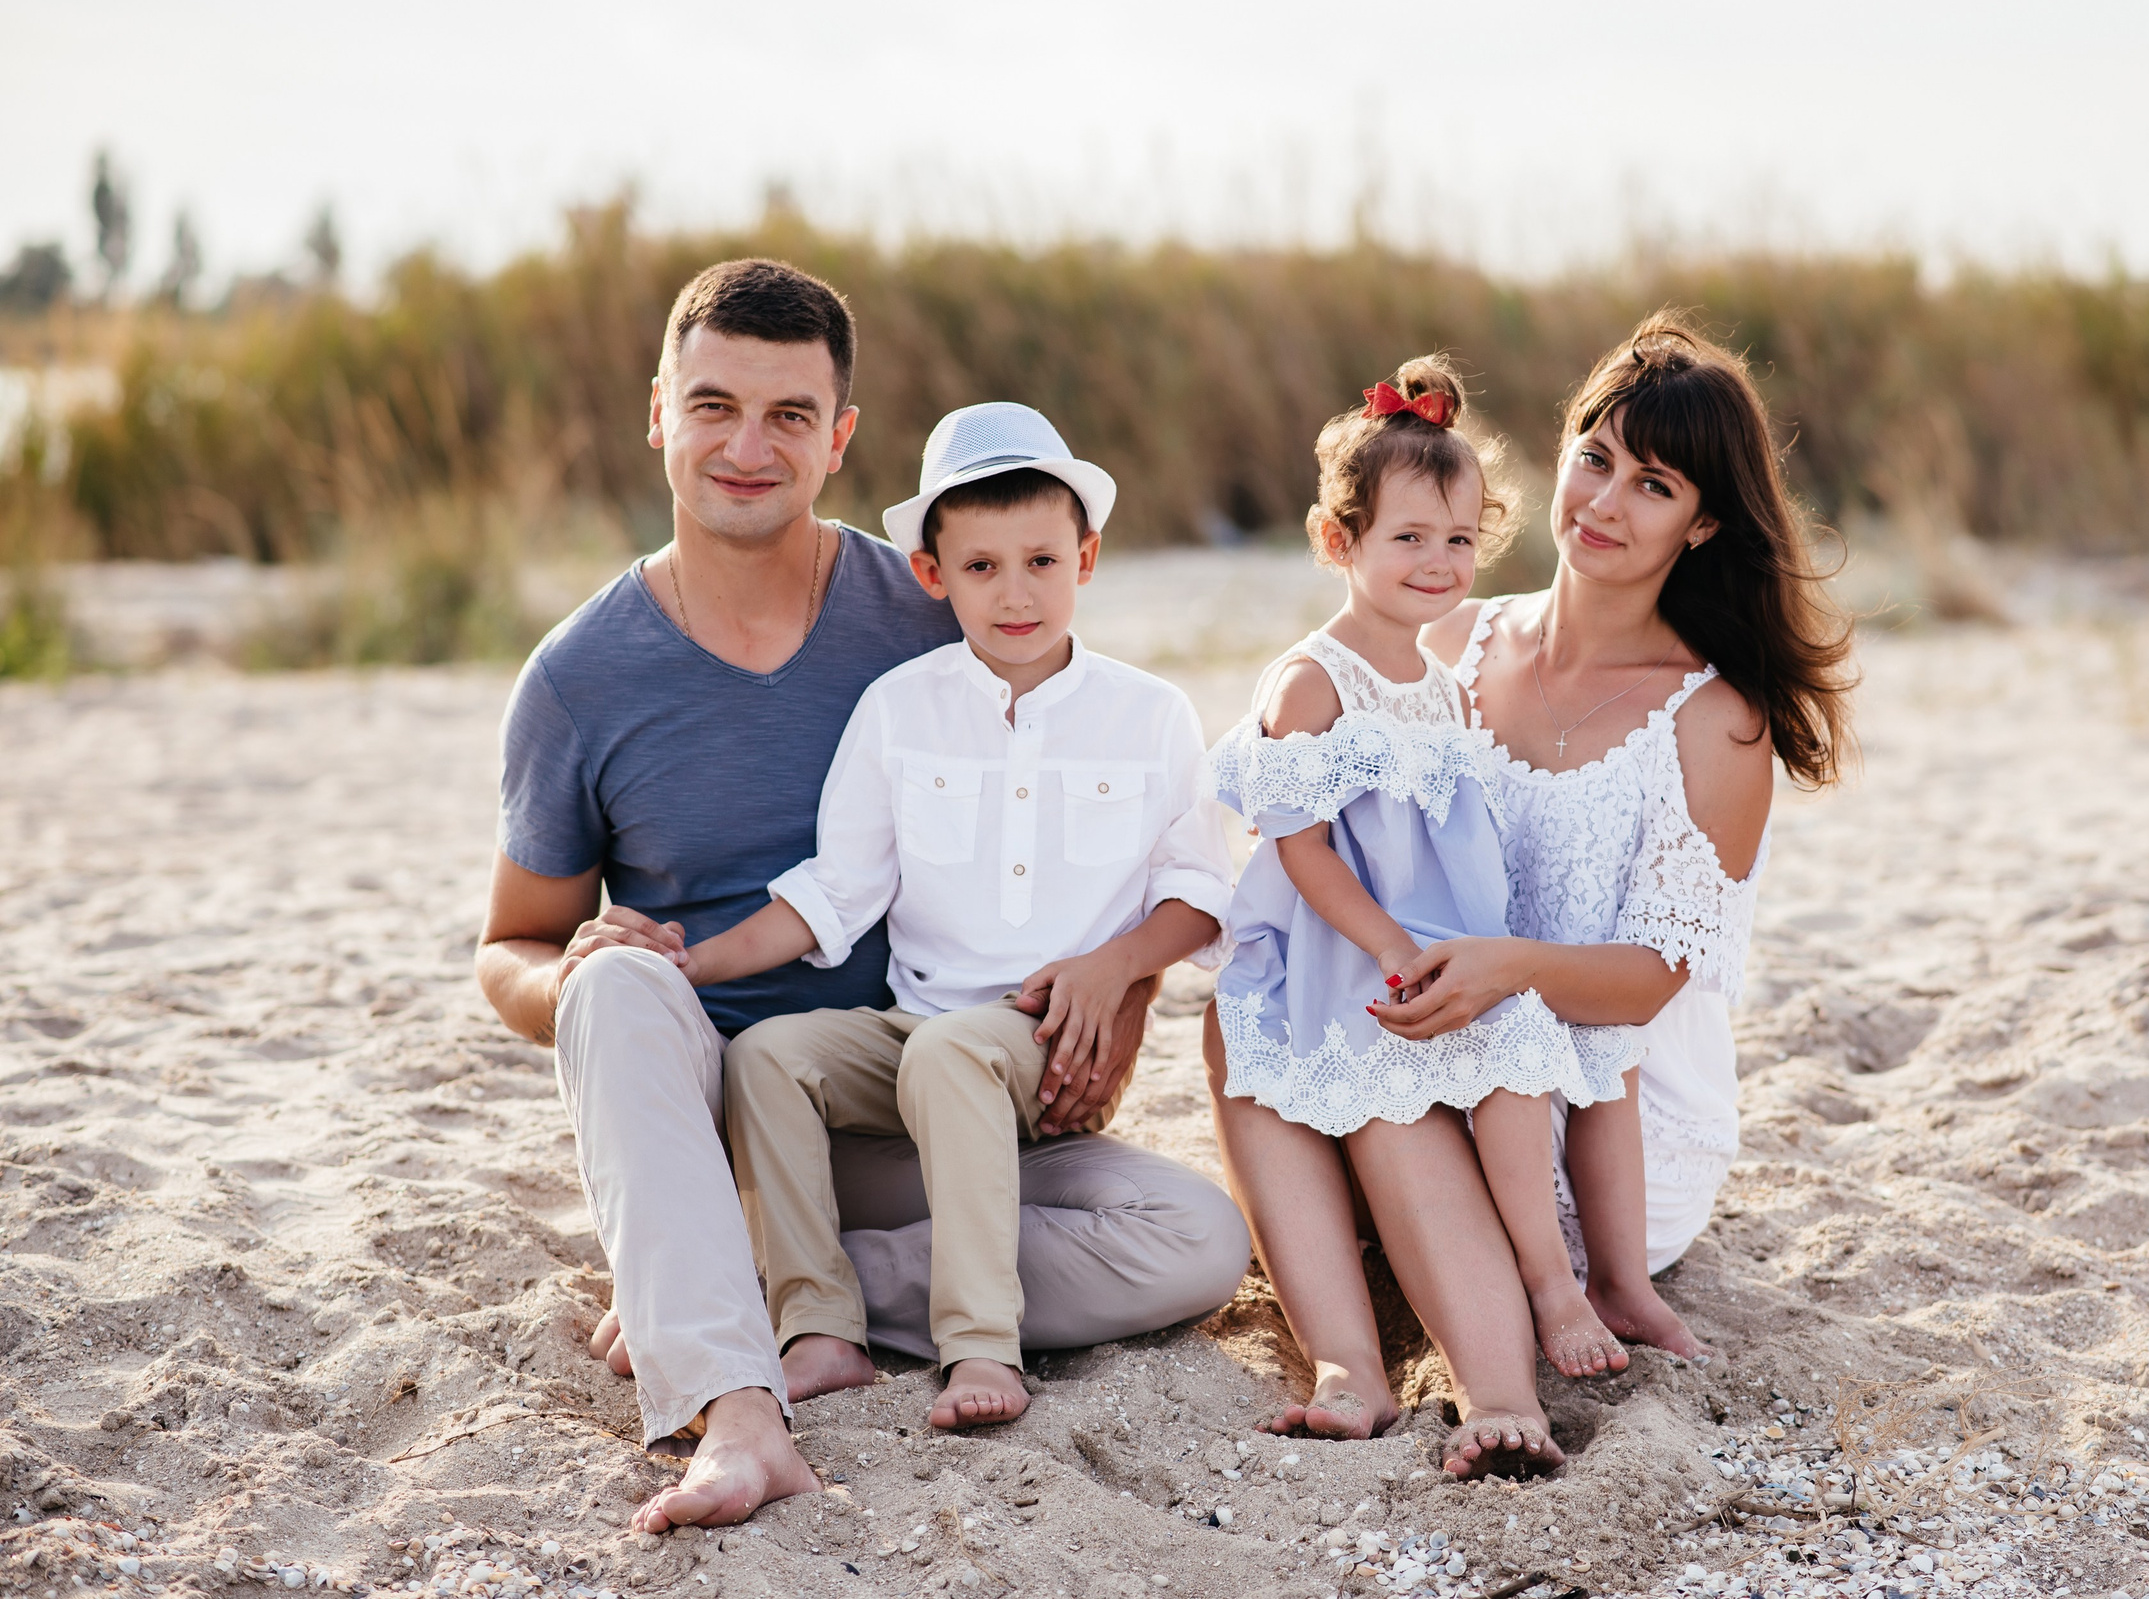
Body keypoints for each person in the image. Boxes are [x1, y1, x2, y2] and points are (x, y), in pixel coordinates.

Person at [475, 260, 1248, 1536]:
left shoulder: (943, 602)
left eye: (789, 415)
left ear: (839, 438)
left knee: (1194, 1241)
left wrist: (1121, 991)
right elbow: (509, 940)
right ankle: (734, 1405)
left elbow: (1084, 805)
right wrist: (595, 970)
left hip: (929, 1106)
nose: (746, 444)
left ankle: (744, 1277)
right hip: (719, 1105)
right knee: (618, 977)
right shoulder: (581, 675)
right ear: (657, 411)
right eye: (713, 404)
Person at [698, 402, 1233, 1433]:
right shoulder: (899, 707)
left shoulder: (1149, 712)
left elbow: (1200, 888)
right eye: (981, 567)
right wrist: (685, 961)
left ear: (1088, 557)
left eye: (1041, 559)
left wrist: (1111, 967)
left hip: (1037, 1043)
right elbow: (834, 892)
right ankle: (819, 1323)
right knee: (767, 1052)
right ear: (932, 575)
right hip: (914, 1047)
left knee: (1203, 1238)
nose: (1016, 591)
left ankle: (970, 1337)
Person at [1395, 310, 1855, 1349]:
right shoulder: (1447, 638)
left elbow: (1653, 977)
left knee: (1408, 1140)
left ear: (1700, 524)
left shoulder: (1714, 717)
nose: (1603, 502)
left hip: (1624, 1118)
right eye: (1594, 458)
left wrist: (1503, 967)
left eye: (1652, 485)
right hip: (1454, 1034)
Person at [1211, 357, 1645, 1383]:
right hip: (1348, 943)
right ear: (1338, 539)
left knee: (1514, 1044)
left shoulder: (1439, 679)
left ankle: (1551, 1278)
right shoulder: (1315, 679)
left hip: (1435, 934)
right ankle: (1501, 1303)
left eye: (1458, 539)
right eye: (1408, 537)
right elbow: (1302, 851)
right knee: (1453, 1041)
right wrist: (1394, 946)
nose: (1438, 562)